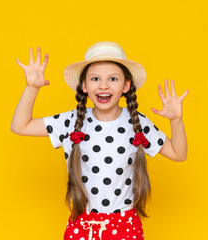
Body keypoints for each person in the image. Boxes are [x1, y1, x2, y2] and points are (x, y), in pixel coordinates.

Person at [11, 41, 189, 240]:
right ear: (85, 86)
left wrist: (176, 120)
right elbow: (20, 125)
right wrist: (31, 87)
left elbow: (178, 153)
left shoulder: (137, 123)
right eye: (95, 78)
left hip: (125, 228)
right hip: (82, 226)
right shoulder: (71, 121)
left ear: (126, 85)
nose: (103, 85)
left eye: (113, 79)